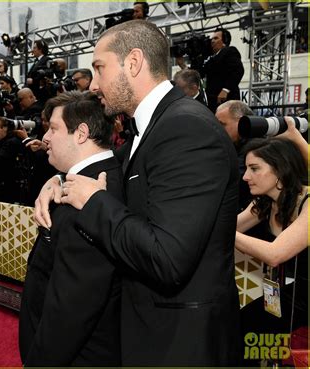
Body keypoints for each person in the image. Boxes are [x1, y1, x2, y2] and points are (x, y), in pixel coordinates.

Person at [35, 20, 241, 366]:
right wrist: (59, 181)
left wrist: (93, 201)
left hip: (182, 343)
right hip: (150, 330)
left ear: (133, 62)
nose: (94, 84)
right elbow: (105, 166)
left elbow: (167, 258)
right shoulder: (151, 129)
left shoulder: (186, 128)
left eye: (100, 69)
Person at [19, 91, 122, 366]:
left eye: (53, 129)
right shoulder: (84, 180)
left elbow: (72, 307)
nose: (46, 138)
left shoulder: (95, 194)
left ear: (81, 133)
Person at [236, 138, 308, 364]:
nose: (245, 176)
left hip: (303, 301)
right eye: (246, 168)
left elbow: (275, 254)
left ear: (280, 168)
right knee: (243, 331)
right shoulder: (265, 203)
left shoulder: (307, 201)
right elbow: (231, 226)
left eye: (254, 168)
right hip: (286, 295)